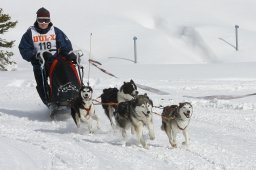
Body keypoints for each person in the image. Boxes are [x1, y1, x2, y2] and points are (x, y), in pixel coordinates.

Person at [19, 7, 77, 106]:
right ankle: (50, 102)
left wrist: (68, 54)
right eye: (41, 20)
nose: (43, 23)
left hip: (55, 62)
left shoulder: (55, 31)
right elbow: (24, 49)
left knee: (64, 78)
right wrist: (35, 55)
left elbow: (65, 45)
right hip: (39, 63)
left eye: (46, 20)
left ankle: (69, 98)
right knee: (42, 84)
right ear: (37, 20)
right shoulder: (30, 33)